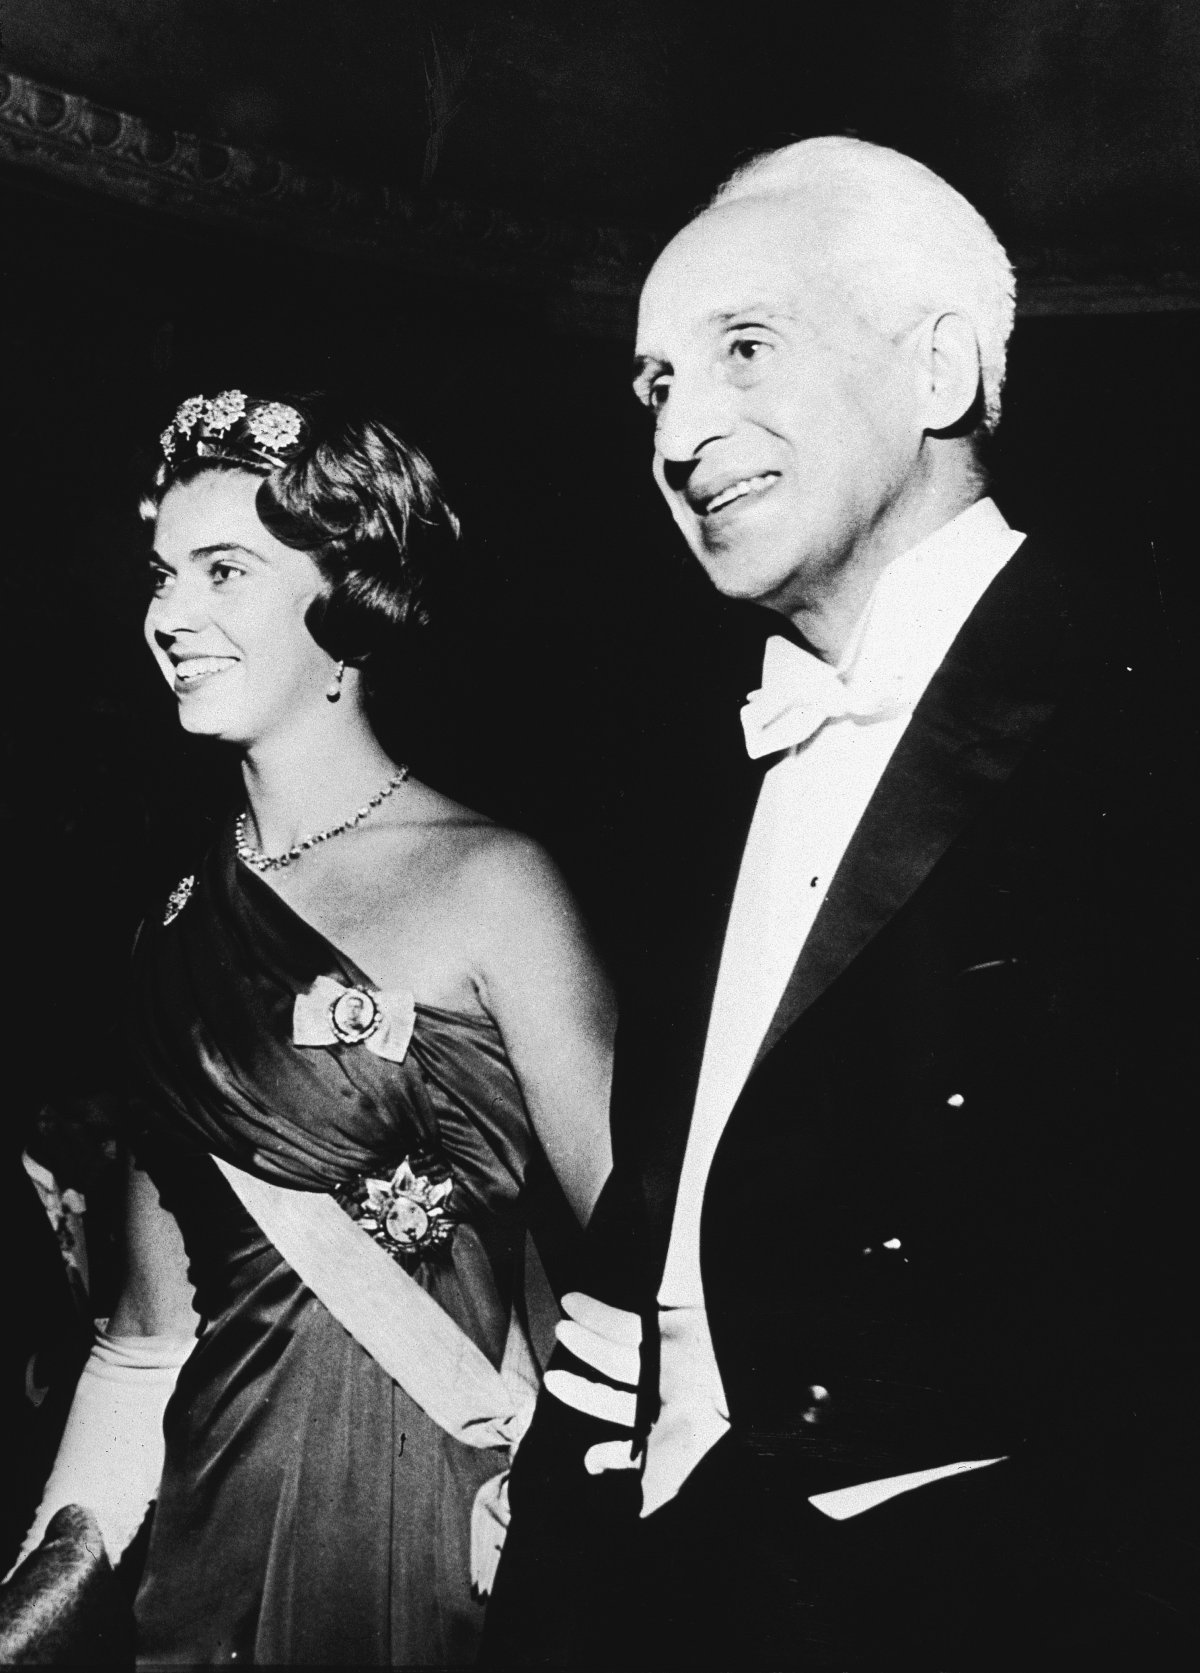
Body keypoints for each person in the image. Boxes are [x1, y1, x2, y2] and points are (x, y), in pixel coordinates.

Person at [484, 137, 1197, 1668]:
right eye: (655, 384)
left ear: (939, 371)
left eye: (746, 347)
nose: (682, 430)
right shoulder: (696, 770)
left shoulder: (1147, 727)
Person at [21, 390, 616, 1666]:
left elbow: (644, 1264)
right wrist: (34, 1594)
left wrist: (576, 1508)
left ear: (346, 599)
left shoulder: (493, 880)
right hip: (208, 1558)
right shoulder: (171, 933)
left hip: (448, 1548)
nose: (170, 616)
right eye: (162, 574)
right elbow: (141, 1346)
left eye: (225, 569)